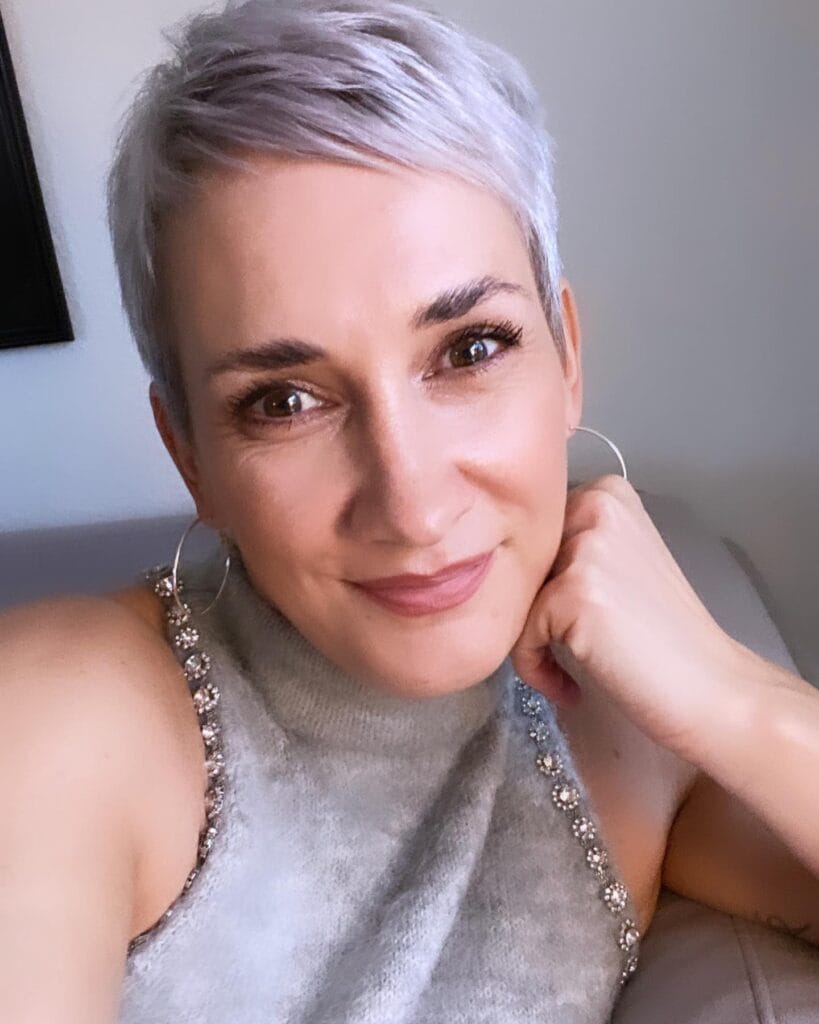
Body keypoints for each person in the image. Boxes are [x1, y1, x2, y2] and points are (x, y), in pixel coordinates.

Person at [2, 1, 818, 1021]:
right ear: (190, 456)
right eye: (283, 401)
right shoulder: (59, 711)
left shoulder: (632, 737)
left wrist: (736, 697)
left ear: (566, 356)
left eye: (470, 349)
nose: (413, 503)